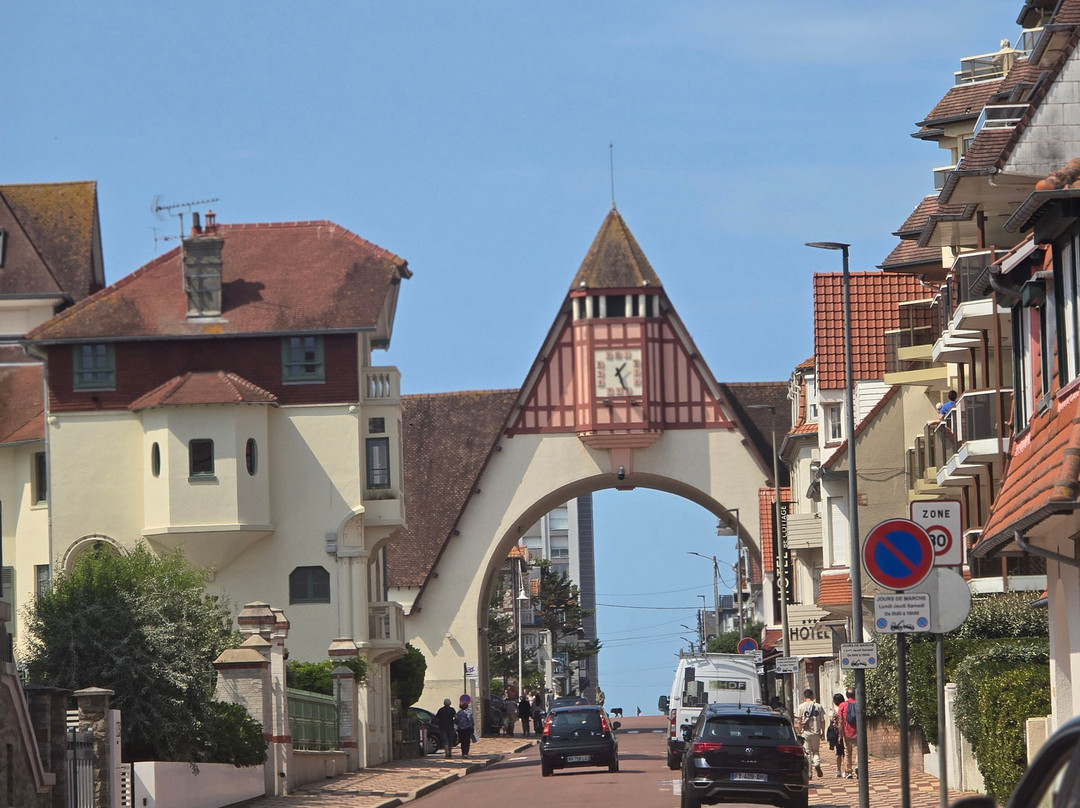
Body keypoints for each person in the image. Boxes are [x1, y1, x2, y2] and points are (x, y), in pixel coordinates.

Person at [796, 688, 825, 779]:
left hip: (805, 732)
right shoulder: (818, 706)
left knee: (807, 753)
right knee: (816, 751)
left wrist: (800, 732)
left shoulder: (801, 707)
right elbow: (822, 720)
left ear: (804, 696)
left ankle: (809, 773)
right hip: (816, 732)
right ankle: (816, 763)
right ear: (812, 696)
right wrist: (823, 732)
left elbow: (798, 721)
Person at [838, 689, 858, 779]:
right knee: (858, 751)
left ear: (846, 696)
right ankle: (858, 766)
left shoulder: (842, 705)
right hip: (857, 732)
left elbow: (840, 721)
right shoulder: (858, 704)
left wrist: (840, 734)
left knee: (847, 752)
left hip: (846, 732)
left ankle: (848, 771)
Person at [828, 693, 845, 777]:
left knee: (838, 753)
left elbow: (831, 722)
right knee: (845, 752)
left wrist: (832, 729)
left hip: (836, 733)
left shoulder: (833, 710)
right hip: (845, 732)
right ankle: (846, 770)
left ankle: (838, 770)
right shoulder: (845, 708)